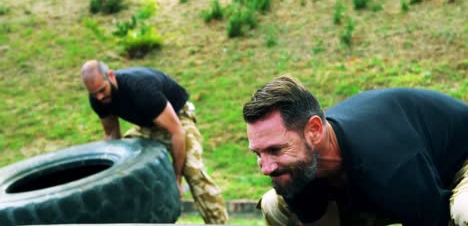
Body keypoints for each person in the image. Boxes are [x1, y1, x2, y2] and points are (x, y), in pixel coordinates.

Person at [242, 75, 468, 226]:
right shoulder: (296, 170)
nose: (266, 167)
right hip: (378, 188)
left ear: (314, 130)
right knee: (275, 205)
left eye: (275, 150)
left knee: (464, 211)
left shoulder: (389, 161)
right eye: (258, 154)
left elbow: (434, 218)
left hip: (456, 162)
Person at [81, 60, 228, 224]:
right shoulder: (98, 98)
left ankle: (218, 222)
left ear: (111, 76)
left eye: (102, 90)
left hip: (178, 119)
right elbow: (112, 135)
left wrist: (176, 178)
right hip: (147, 127)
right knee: (125, 162)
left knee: (193, 170)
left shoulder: (140, 89)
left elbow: (177, 131)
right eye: (94, 94)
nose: (100, 97)